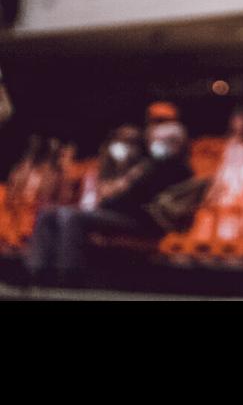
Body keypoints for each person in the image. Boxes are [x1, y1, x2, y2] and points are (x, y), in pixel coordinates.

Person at [24, 121, 192, 287]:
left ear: (177, 143)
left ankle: (68, 276)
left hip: (145, 221)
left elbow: (131, 198)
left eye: (161, 141)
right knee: (48, 213)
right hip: (124, 214)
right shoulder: (149, 165)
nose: (154, 145)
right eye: (154, 140)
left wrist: (108, 201)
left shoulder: (175, 169)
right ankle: (37, 272)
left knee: (71, 217)